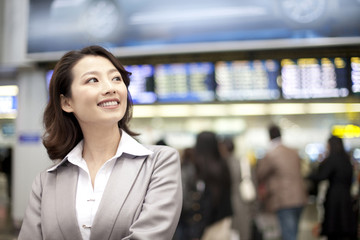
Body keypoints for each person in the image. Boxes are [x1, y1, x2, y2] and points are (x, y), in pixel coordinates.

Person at [18, 45, 183, 240]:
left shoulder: (159, 163)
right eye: (93, 80)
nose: (110, 88)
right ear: (67, 103)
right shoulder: (46, 182)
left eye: (116, 78)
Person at [256, 125, 307, 240]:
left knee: (289, 234)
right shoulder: (294, 152)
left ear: (269, 137)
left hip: (284, 199)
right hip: (300, 196)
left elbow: (260, 174)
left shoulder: (271, 154)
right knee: (293, 232)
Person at [179, 131, 232, 240]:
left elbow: (184, 199)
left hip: (195, 224)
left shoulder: (193, 167)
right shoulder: (223, 166)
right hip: (220, 222)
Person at [308, 135, 357, 240]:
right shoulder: (347, 159)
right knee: (344, 225)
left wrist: (309, 175)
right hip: (346, 196)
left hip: (334, 197)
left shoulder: (332, 159)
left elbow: (321, 176)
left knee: (334, 225)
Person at [219, 137, 254, 240]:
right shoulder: (242, 162)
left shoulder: (221, 164)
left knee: (228, 233)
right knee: (244, 232)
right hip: (243, 201)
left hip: (226, 203)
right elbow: (253, 182)